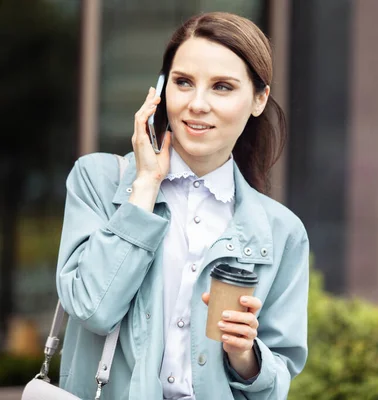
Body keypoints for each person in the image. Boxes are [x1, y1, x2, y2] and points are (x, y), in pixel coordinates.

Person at [55, 12, 309, 400]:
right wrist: (143, 188)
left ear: (259, 99)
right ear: (161, 89)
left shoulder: (281, 232)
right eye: (183, 82)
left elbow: (276, 382)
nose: (197, 104)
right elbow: (92, 308)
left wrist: (245, 356)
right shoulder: (99, 180)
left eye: (222, 87)